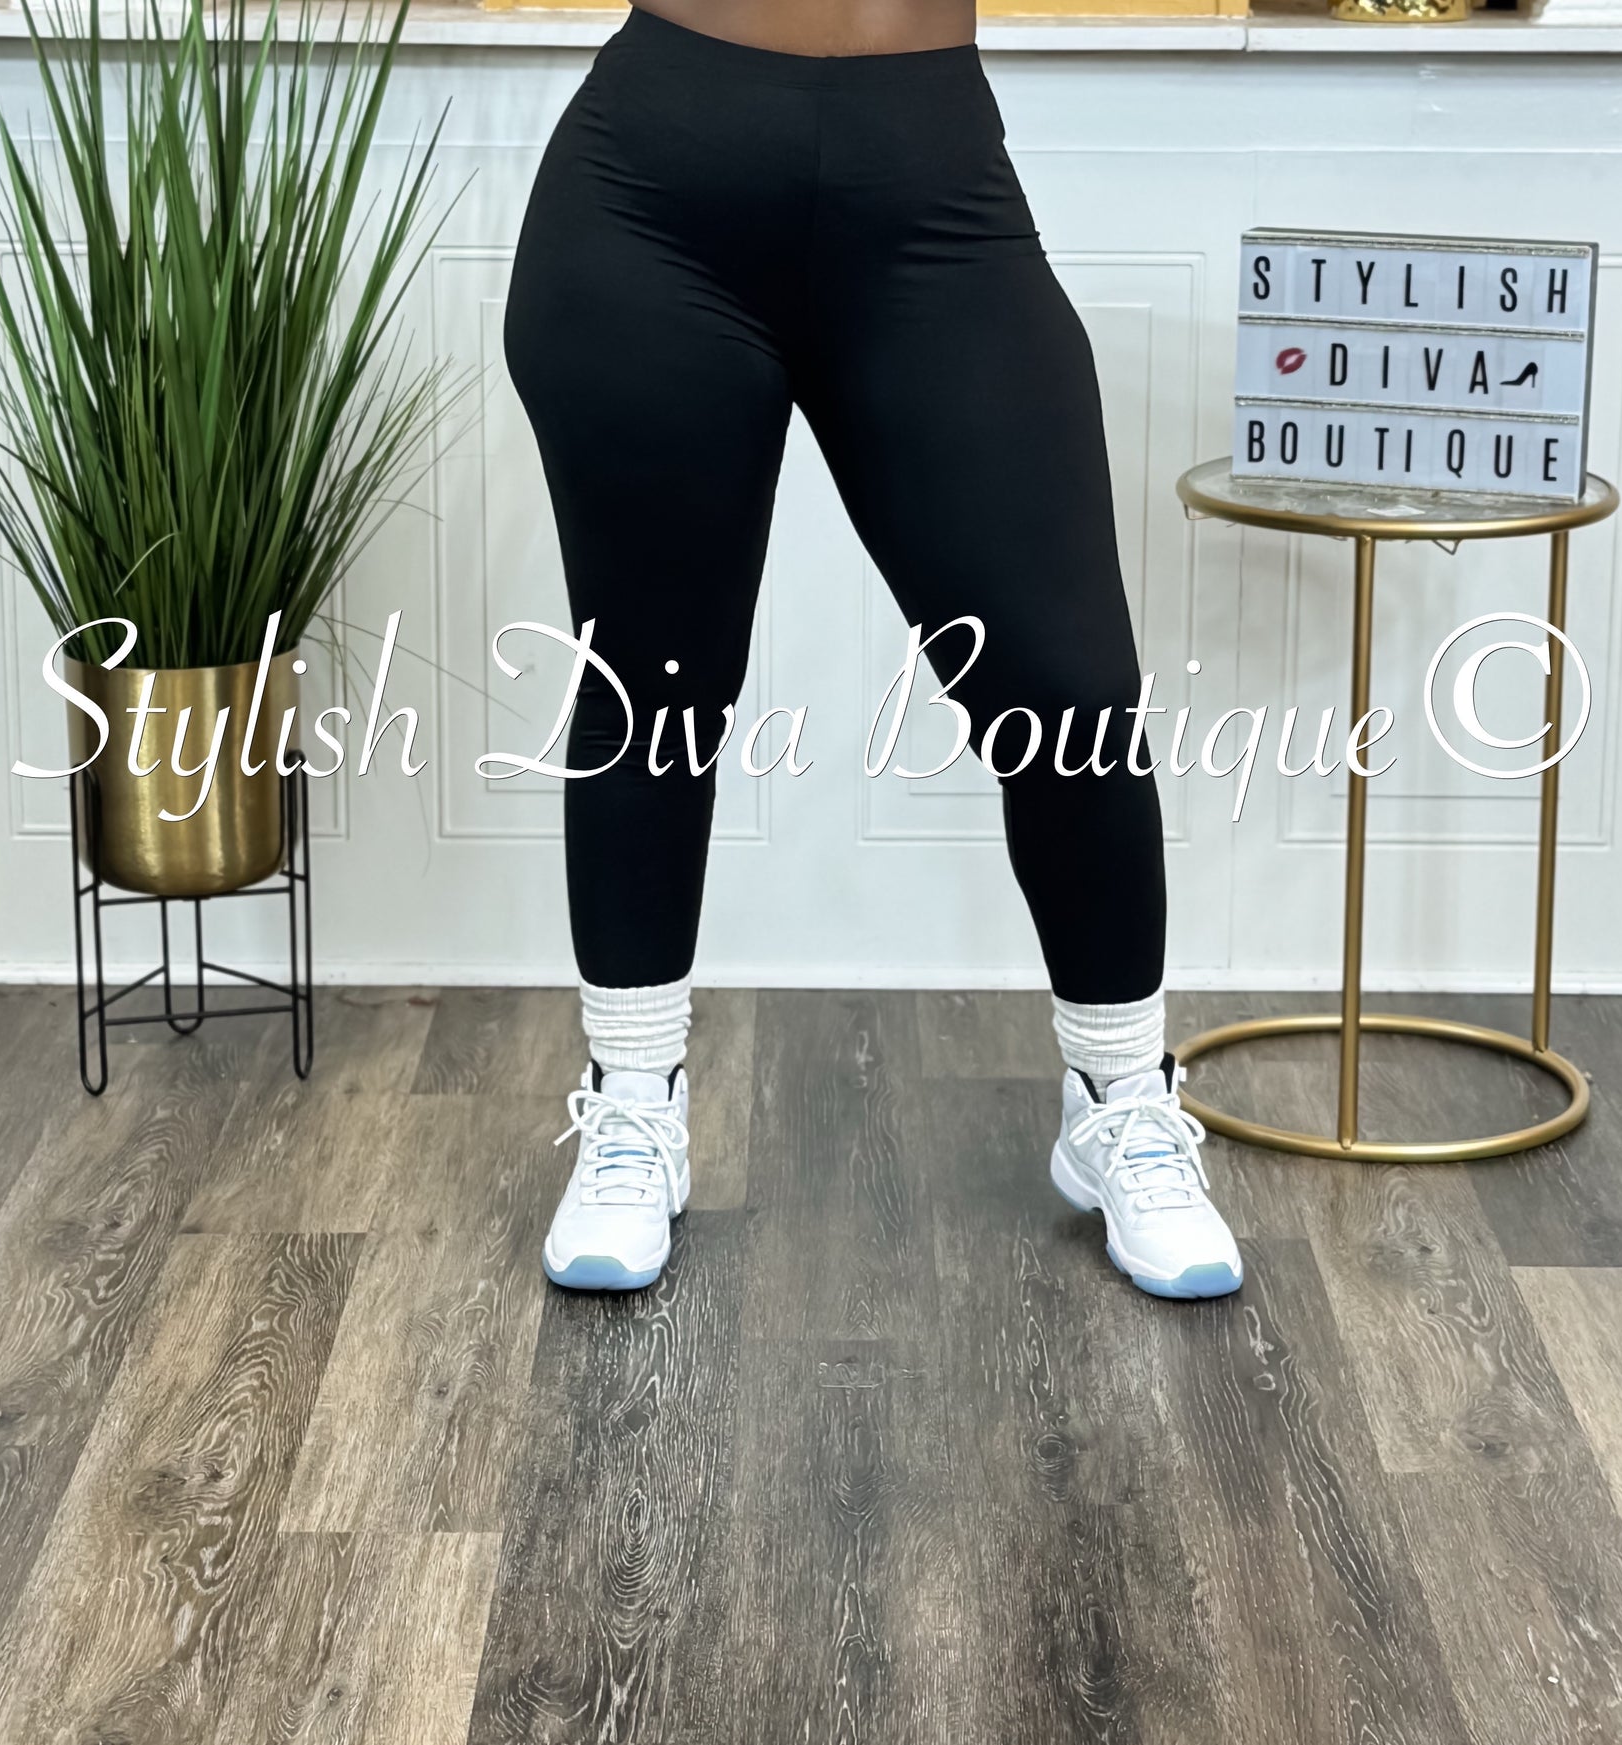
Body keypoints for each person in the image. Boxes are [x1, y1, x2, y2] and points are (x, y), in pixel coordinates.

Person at [502, 0, 1243, 1300]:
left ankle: (1120, 1099)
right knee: (652, 686)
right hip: (649, 201)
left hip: (930, 189)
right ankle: (633, 1104)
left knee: (1067, 689)